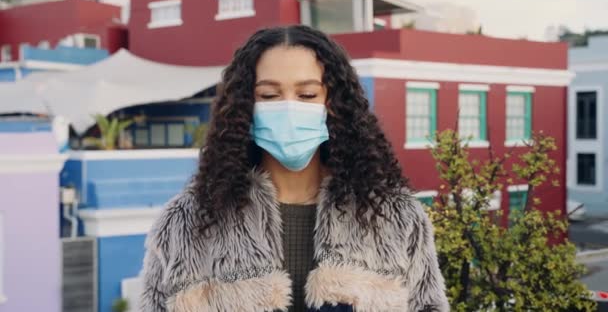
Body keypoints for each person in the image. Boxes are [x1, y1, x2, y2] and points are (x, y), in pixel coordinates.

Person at [140, 25, 448, 312]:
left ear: (333, 104)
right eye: (269, 95)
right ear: (245, 106)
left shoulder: (396, 219)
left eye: (307, 95)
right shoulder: (185, 223)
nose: (289, 107)